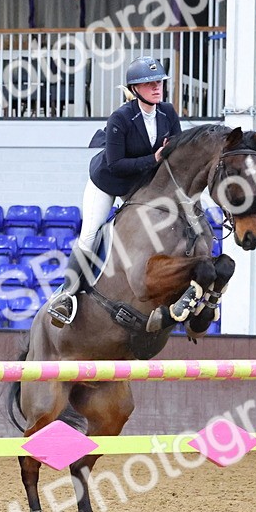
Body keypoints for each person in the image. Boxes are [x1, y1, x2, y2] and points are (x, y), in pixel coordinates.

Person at [47, 56, 182, 327]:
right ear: (135, 89)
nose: (157, 87)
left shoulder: (167, 113)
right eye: (149, 84)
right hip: (109, 182)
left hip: (140, 185)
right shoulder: (121, 118)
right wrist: (153, 160)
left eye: (159, 82)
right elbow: (116, 164)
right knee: (90, 233)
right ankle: (66, 295)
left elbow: (176, 152)